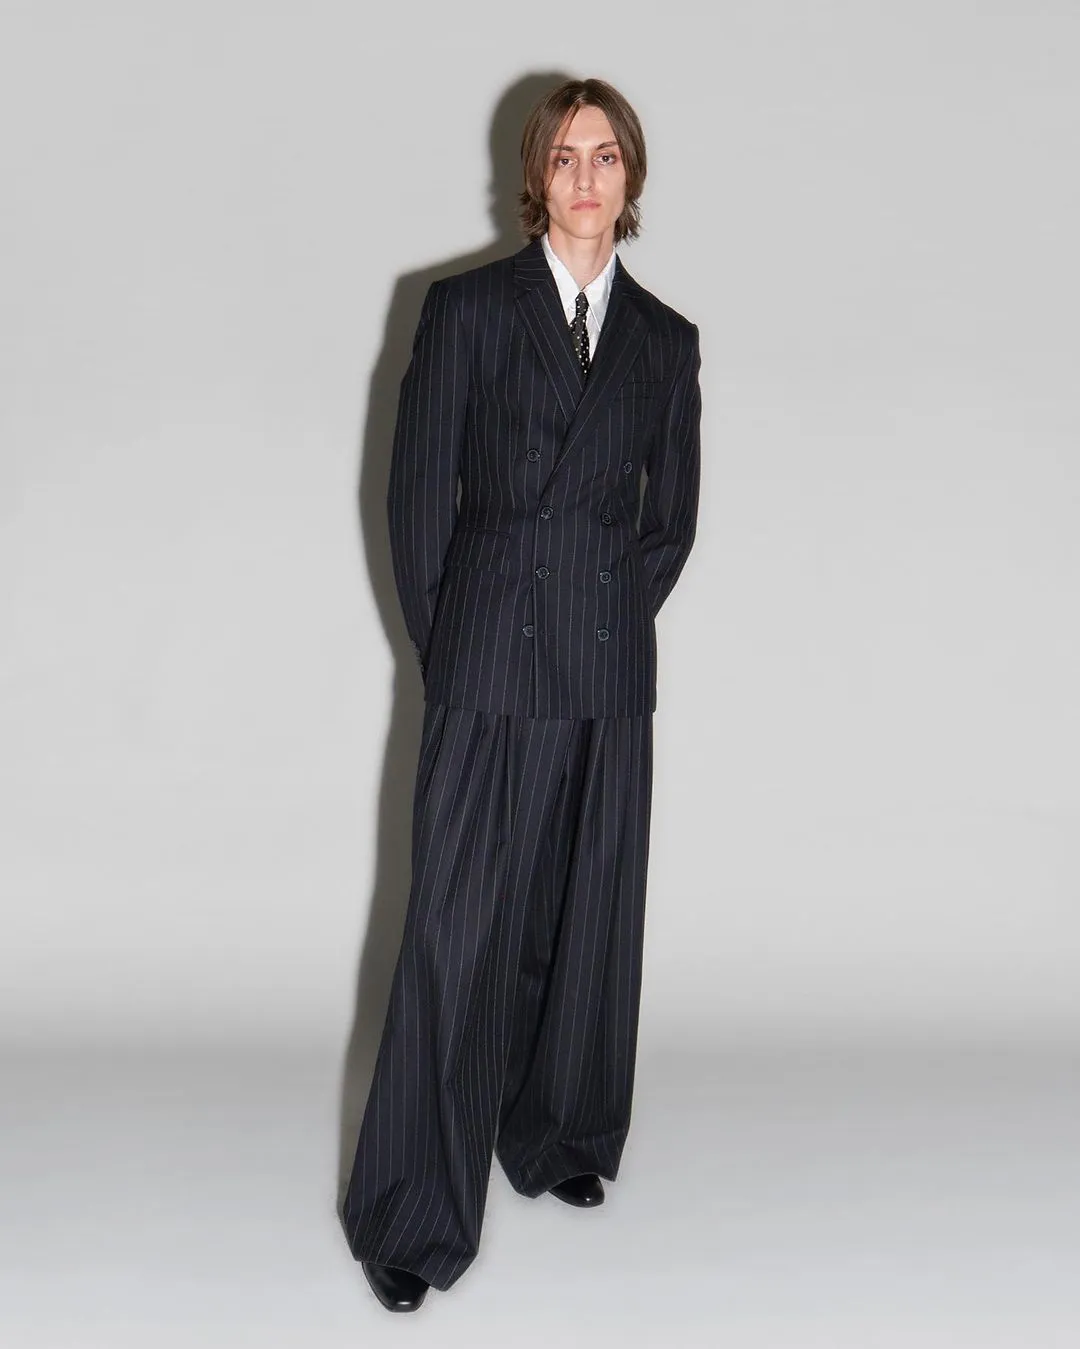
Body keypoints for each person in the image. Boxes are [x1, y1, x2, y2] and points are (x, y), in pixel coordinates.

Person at [342, 75, 702, 1312]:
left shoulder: (665, 341)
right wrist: (462, 645)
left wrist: (604, 618)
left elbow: (670, 525)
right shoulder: (466, 311)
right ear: (536, 177)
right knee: (457, 936)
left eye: (607, 156)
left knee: (586, 918)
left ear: (631, 176)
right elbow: (416, 505)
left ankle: (559, 1133)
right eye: (565, 157)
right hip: (490, 659)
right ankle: (410, 1210)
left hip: (606, 669)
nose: (586, 177)